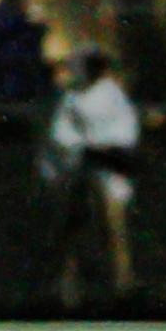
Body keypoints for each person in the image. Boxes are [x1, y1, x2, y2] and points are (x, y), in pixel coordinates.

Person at [40, 45, 141, 307]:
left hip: (109, 170)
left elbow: (123, 136)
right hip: (78, 170)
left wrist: (97, 150)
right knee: (71, 228)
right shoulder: (71, 98)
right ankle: (68, 288)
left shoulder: (112, 96)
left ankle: (122, 287)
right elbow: (61, 136)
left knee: (114, 226)